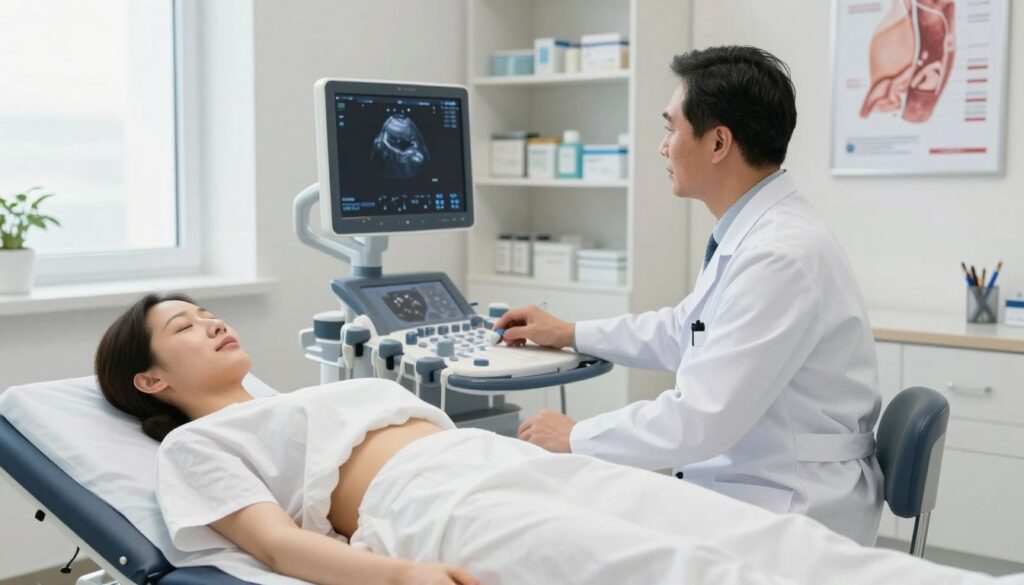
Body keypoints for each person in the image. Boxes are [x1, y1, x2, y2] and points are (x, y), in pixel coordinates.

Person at [93, 293, 1015, 585]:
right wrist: (402, 575)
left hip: (497, 462)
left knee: (754, 538)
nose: (211, 323)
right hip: (431, 506)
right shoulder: (194, 447)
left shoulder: (298, 392)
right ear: (151, 379)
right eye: (184, 325)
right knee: (667, 568)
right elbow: (276, 544)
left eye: (209, 310)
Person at [496, 45, 883, 545]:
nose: (663, 146)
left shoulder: (779, 256)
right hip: (758, 481)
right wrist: (569, 332)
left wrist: (575, 436)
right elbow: (687, 328)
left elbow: (702, 419)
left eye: (670, 128)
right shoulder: (757, 233)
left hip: (791, 510)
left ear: (719, 142)